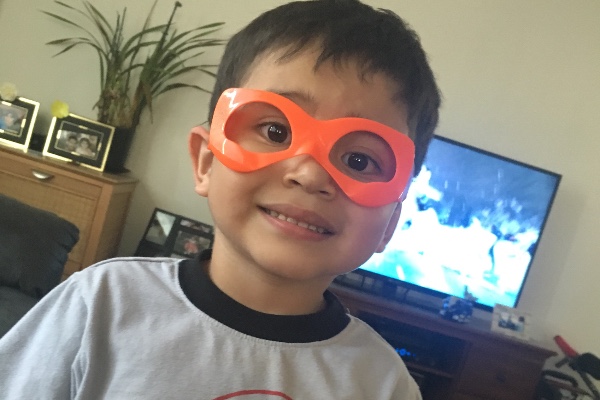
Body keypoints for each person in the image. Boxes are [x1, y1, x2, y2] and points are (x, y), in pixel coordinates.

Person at [0, 1, 441, 398]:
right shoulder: (102, 302)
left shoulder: (384, 386)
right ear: (206, 161)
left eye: (360, 160)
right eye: (275, 131)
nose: (309, 175)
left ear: (389, 224)